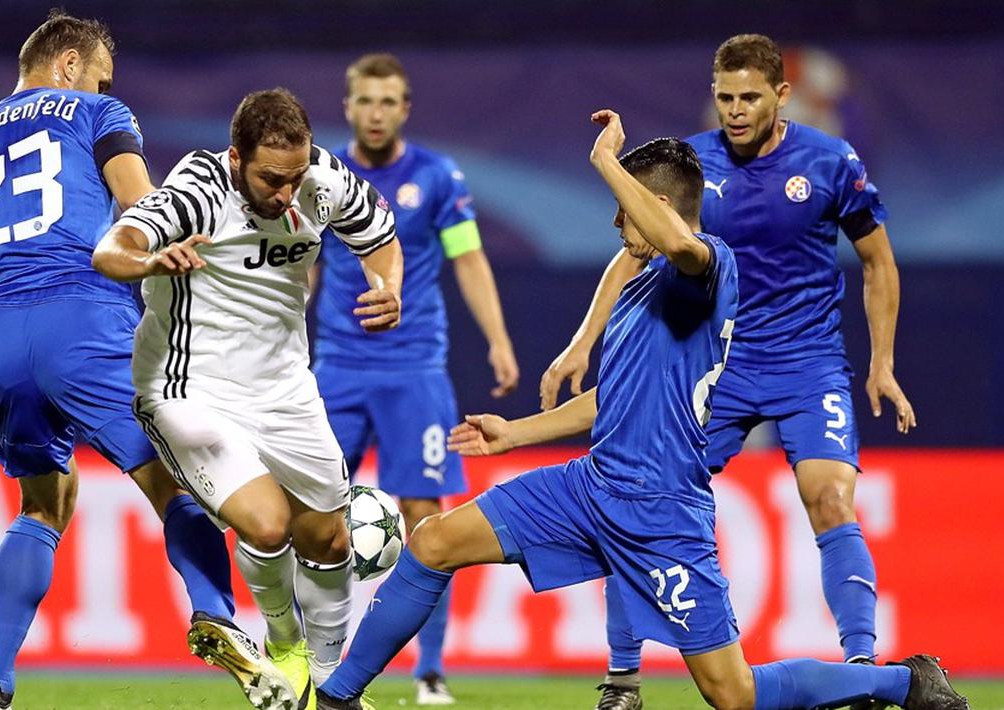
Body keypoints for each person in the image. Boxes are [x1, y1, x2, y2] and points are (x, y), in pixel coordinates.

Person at [308, 112, 967, 710]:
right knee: (432, 541)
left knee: (732, 694)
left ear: (655, 207)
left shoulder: (712, 267)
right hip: (590, 488)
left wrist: (606, 162)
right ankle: (335, 698)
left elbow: (681, 245)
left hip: (662, 512)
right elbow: (610, 397)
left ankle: (902, 682)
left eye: (623, 212)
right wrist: (516, 434)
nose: (616, 226)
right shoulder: (640, 289)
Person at [0, 12, 290, 710]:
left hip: (0, 337)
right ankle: (216, 616)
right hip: (88, 316)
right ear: (68, 65)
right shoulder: (96, 114)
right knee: (177, 480)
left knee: (42, 503)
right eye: (100, 76)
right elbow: (141, 203)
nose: (105, 88)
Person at [539, 35, 916, 709]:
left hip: (807, 362)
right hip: (716, 366)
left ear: (782, 95)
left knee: (830, 500)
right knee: (637, 494)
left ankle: (861, 667)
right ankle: (622, 680)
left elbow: (877, 260)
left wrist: (881, 362)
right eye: (724, 97)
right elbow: (634, 251)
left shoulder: (831, 162)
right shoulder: (690, 165)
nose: (735, 110)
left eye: (749, 97)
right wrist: (580, 343)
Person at [92, 88, 404, 707]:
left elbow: (380, 236)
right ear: (236, 158)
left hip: (285, 387)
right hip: (189, 388)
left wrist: (387, 286)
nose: (287, 194)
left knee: (331, 541)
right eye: (271, 179)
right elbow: (111, 250)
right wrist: (152, 262)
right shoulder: (198, 189)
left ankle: (330, 685)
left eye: (295, 176)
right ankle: (284, 647)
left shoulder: (320, 179)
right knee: (267, 523)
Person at [311, 52, 519, 706]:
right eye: (365, 101)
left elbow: (468, 259)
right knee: (311, 512)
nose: (375, 113)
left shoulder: (435, 176)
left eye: (388, 101)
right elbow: (303, 268)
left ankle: (429, 670)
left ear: (404, 109)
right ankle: (312, 654)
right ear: (347, 107)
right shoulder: (323, 177)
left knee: (426, 518)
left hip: (414, 369)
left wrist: (497, 338)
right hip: (337, 367)